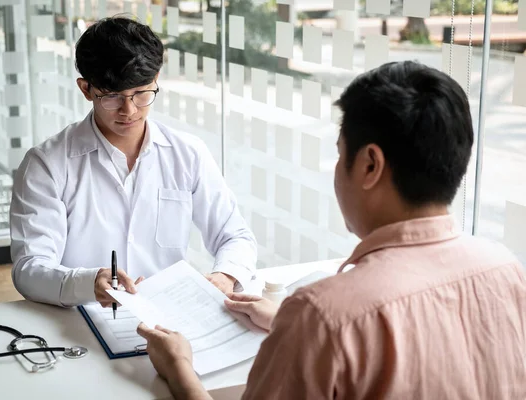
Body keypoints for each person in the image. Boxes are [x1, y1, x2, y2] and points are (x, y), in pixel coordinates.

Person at [136, 61, 526, 399]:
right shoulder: (506, 271)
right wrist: (295, 330)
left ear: (370, 165)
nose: (336, 171)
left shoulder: (323, 314)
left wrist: (179, 370)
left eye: (341, 154)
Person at [9, 16, 257, 308]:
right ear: (85, 88)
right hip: (82, 321)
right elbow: (29, 268)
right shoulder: (47, 165)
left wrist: (225, 276)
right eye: (112, 97)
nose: (129, 110)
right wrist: (87, 283)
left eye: (141, 93)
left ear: (156, 80)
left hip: (170, 319)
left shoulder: (188, 154)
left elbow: (235, 235)